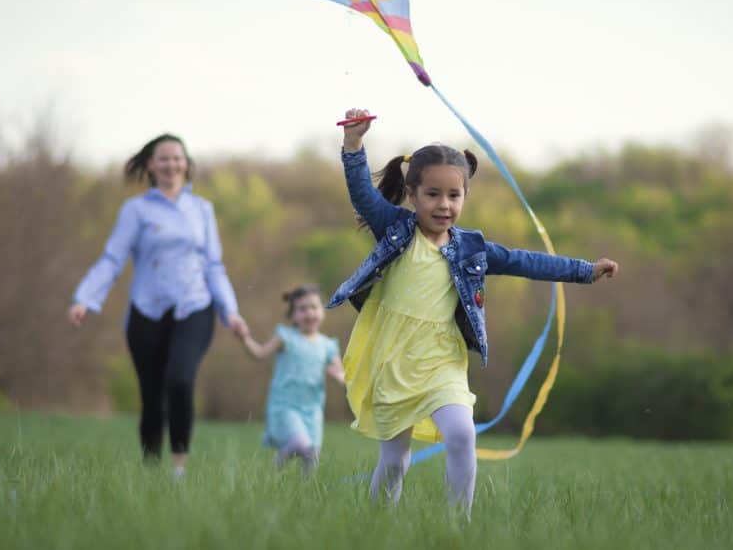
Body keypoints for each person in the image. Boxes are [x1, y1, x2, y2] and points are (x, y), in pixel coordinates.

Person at [330, 108, 619, 514]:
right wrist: (354, 144)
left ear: (465, 196)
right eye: (433, 194)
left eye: (454, 195)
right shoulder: (395, 228)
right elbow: (362, 193)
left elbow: (524, 261)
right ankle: (377, 526)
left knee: (462, 434)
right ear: (412, 196)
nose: (444, 205)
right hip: (393, 360)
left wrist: (585, 271)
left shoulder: (472, 249)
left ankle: (458, 525)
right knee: (395, 461)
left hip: (441, 361)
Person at [66, 133, 248, 477]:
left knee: (180, 380)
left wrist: (230, 312)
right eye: (163, 158)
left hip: (195, 307)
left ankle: (178, 468)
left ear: (186, 164)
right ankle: (150, 471)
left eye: (177, 158)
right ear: (150, 165)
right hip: (146, 312)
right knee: (152, 396)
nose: (171, 164)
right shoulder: (136, 210)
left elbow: (214, 265)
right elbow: (112, 258)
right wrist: (85, 299)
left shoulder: (202, 210)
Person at [234, 284, 345, 474]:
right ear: (293, 316)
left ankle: (306, 492)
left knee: (312, 455)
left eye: (314, 307)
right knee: (300, 444)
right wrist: (245, 339)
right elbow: (260, 353)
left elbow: (341, 375)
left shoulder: (328, 346)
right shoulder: (285, 337)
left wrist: (340, 378)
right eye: (303, 309)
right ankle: (273, 471)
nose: (309, 313)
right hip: (285, 406)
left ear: (322, 311)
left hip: (313, 410)